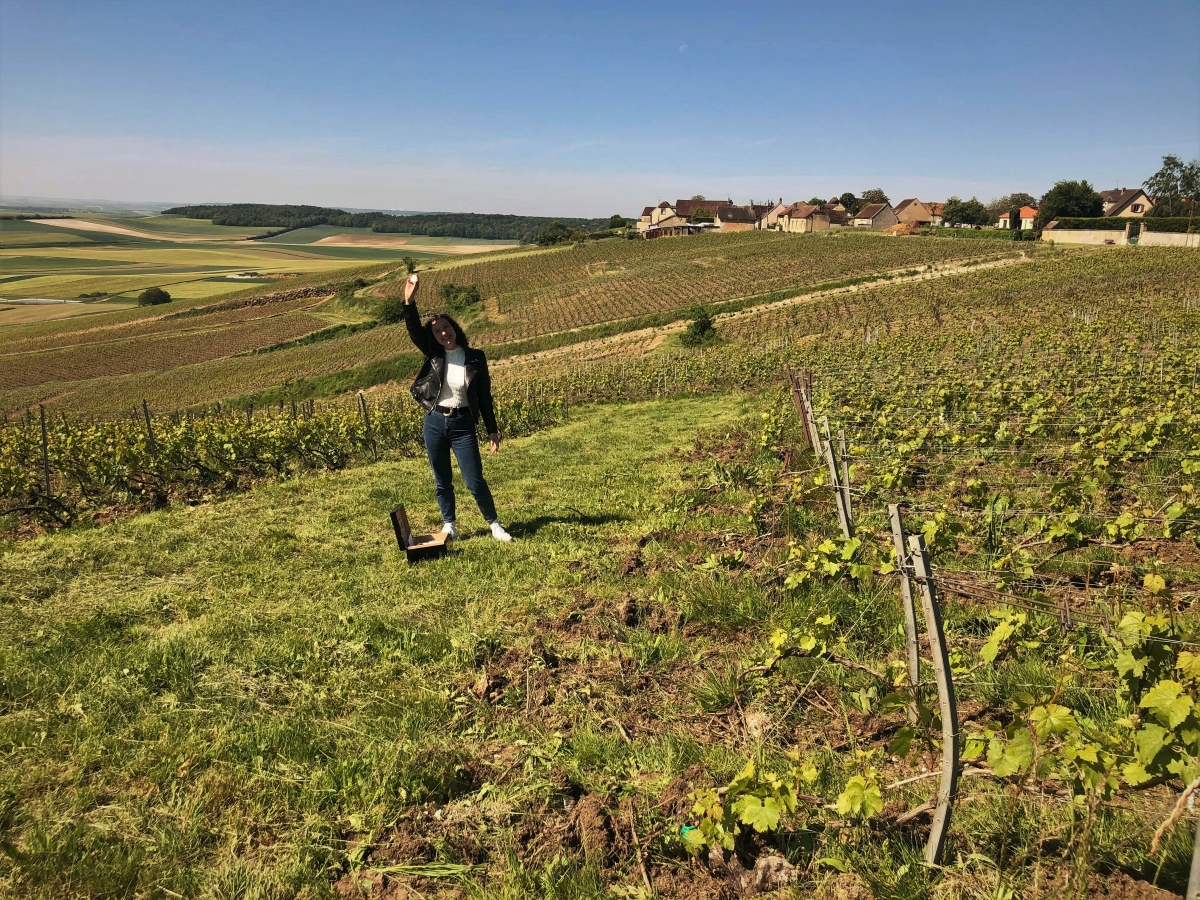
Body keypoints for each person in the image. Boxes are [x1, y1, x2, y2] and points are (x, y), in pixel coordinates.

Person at [402, 274, 512, 542]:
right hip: (435, 422)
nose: (443, 333)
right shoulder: (434, 354)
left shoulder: (476, 357)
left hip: (463, 424)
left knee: (474, 479)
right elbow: (415, 330)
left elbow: (484, 395)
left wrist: (492, 430)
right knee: (442, 480)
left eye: (446, 327)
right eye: (437, 331)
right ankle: (449, 524)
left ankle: (494, 523)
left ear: (455, 327)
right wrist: (409, 301)